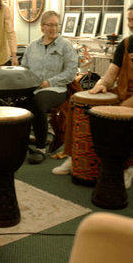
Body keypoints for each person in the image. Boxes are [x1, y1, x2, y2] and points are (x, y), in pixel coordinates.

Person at [52, 0, 133, 189]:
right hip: (122, 92)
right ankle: (74, 156)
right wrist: (102, 84)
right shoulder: (126, 44)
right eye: (129, 20)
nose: (130, 24)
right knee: (78, 102)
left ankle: (128, 167)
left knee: (125, 110)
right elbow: (112, 74)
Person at [19, 10, 78, 164]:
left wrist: (49, 82)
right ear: (42, 26)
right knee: (16, 101)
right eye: (50, 25)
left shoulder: (65, 46)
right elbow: (24, 68)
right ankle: (18, 142)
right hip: (33, 87)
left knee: (38, 102)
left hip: (56, 89)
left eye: (56, 25)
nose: (54, 28)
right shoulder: (32, 46)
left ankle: (40, 149)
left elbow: (71, 72)